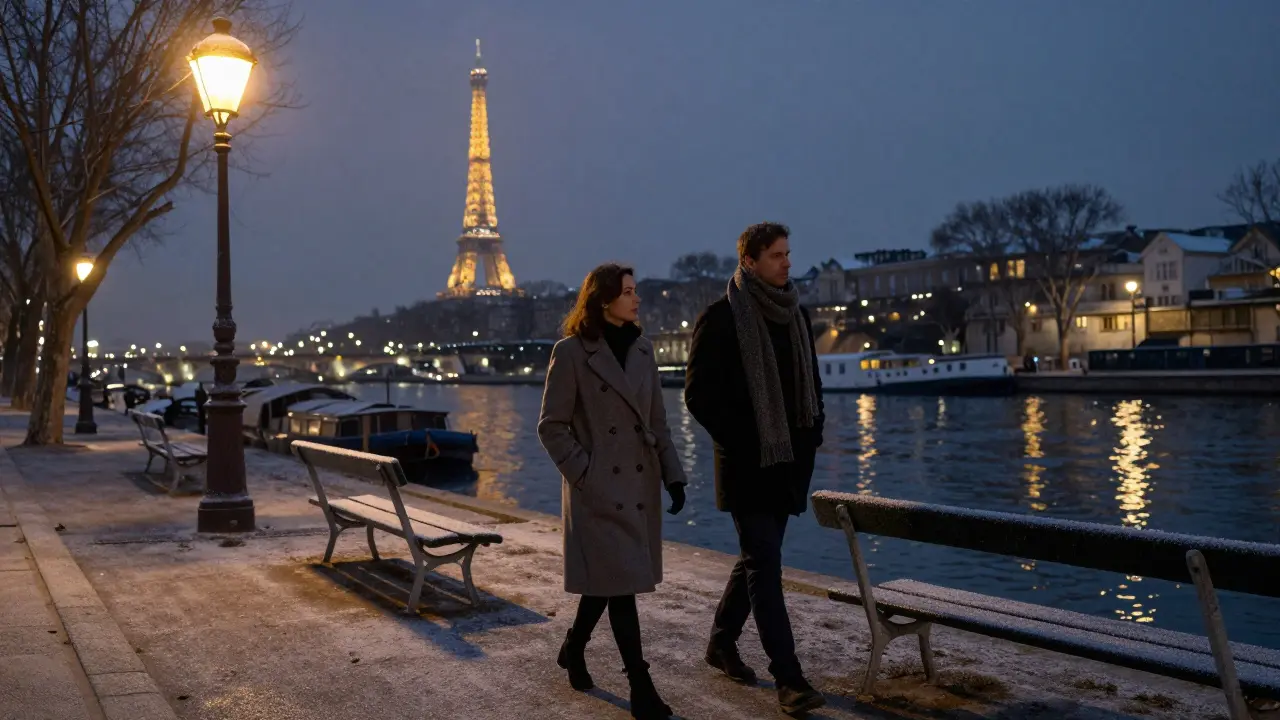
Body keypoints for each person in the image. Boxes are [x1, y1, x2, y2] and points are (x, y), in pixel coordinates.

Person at [684, 222, 826, 716]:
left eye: (788, 253)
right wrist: (745, 441)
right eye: (776, 255)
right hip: (747, 467)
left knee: (756, 559)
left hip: (788, 464)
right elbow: (698, 395)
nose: (787, 262)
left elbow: (813, 385)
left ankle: (721, 642)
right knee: (765, 566)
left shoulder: (796, 314)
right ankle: (789, 678)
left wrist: (813, 436)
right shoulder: (722, 317)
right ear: (749, 261)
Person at [537, 263, 688, 720]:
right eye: (628, 292)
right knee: (621, 588)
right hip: (597, 492)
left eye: (635, 291)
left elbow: (658, 421)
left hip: (637, 486)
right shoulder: (570, 353)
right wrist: (586, 473)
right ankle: (640, 685)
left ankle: (574, 647)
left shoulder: (643, 349)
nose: (637, 299)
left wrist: (673, 474)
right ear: (604, 300)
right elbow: (551, 426)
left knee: (609, 583)